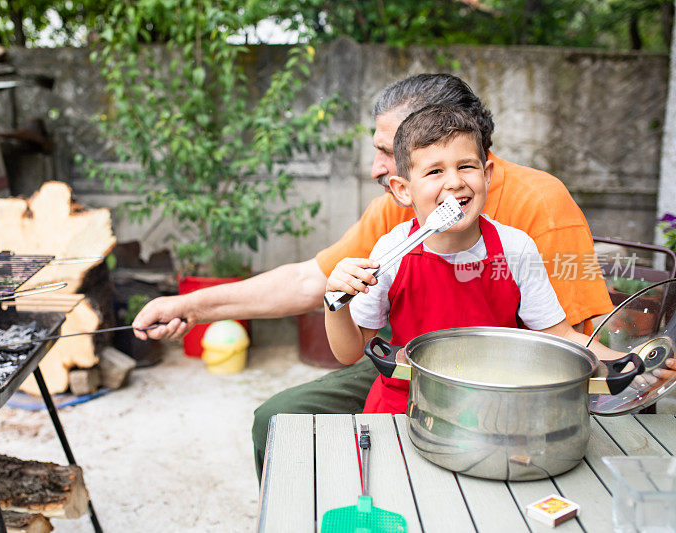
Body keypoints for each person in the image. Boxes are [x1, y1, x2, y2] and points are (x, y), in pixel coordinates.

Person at [132, 74, 621, 481]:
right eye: (405, 163)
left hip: (498, 379)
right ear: (408, 184)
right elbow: (316, 285)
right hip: (408, 359)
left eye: (387, 150)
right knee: (279, 418)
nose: (374, 169)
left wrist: (628, 364)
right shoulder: (396, 217)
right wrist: (188, 307)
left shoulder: (534, 213)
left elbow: (569, 336)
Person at [325, 104, 624, 414]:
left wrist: (631, 361)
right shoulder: (391, 252)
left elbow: (561, 335)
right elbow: (350, 353)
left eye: (466, 166)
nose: (454, 182)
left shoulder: (514, 248)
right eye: (435, 171)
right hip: (405, 407)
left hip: (495, 408)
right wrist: (333, 304)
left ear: (487, 175)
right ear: (403, 190)